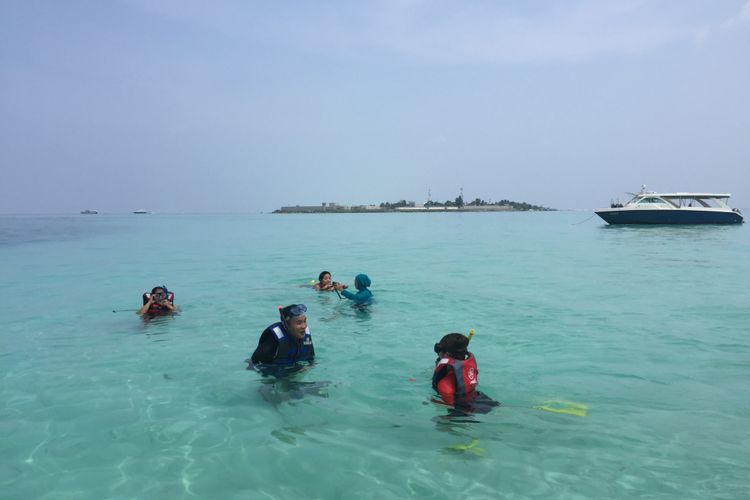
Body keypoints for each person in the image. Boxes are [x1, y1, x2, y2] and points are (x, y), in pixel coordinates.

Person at [432, 333, 499, 414]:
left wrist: (430, 400)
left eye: (438, 350)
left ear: (446, 354)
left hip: (464, 411)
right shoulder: (467, 369)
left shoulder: (445, 386)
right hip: (481, 398)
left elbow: (448, 405)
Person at [248, 304, 315, 373]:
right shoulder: (273, 339)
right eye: (298, 323)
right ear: (287, 325)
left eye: (305, 321)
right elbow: (253, 363)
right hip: (273, 376)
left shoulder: (305, 334)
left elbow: (311, 358)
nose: (304, 326)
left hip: (293, 371)